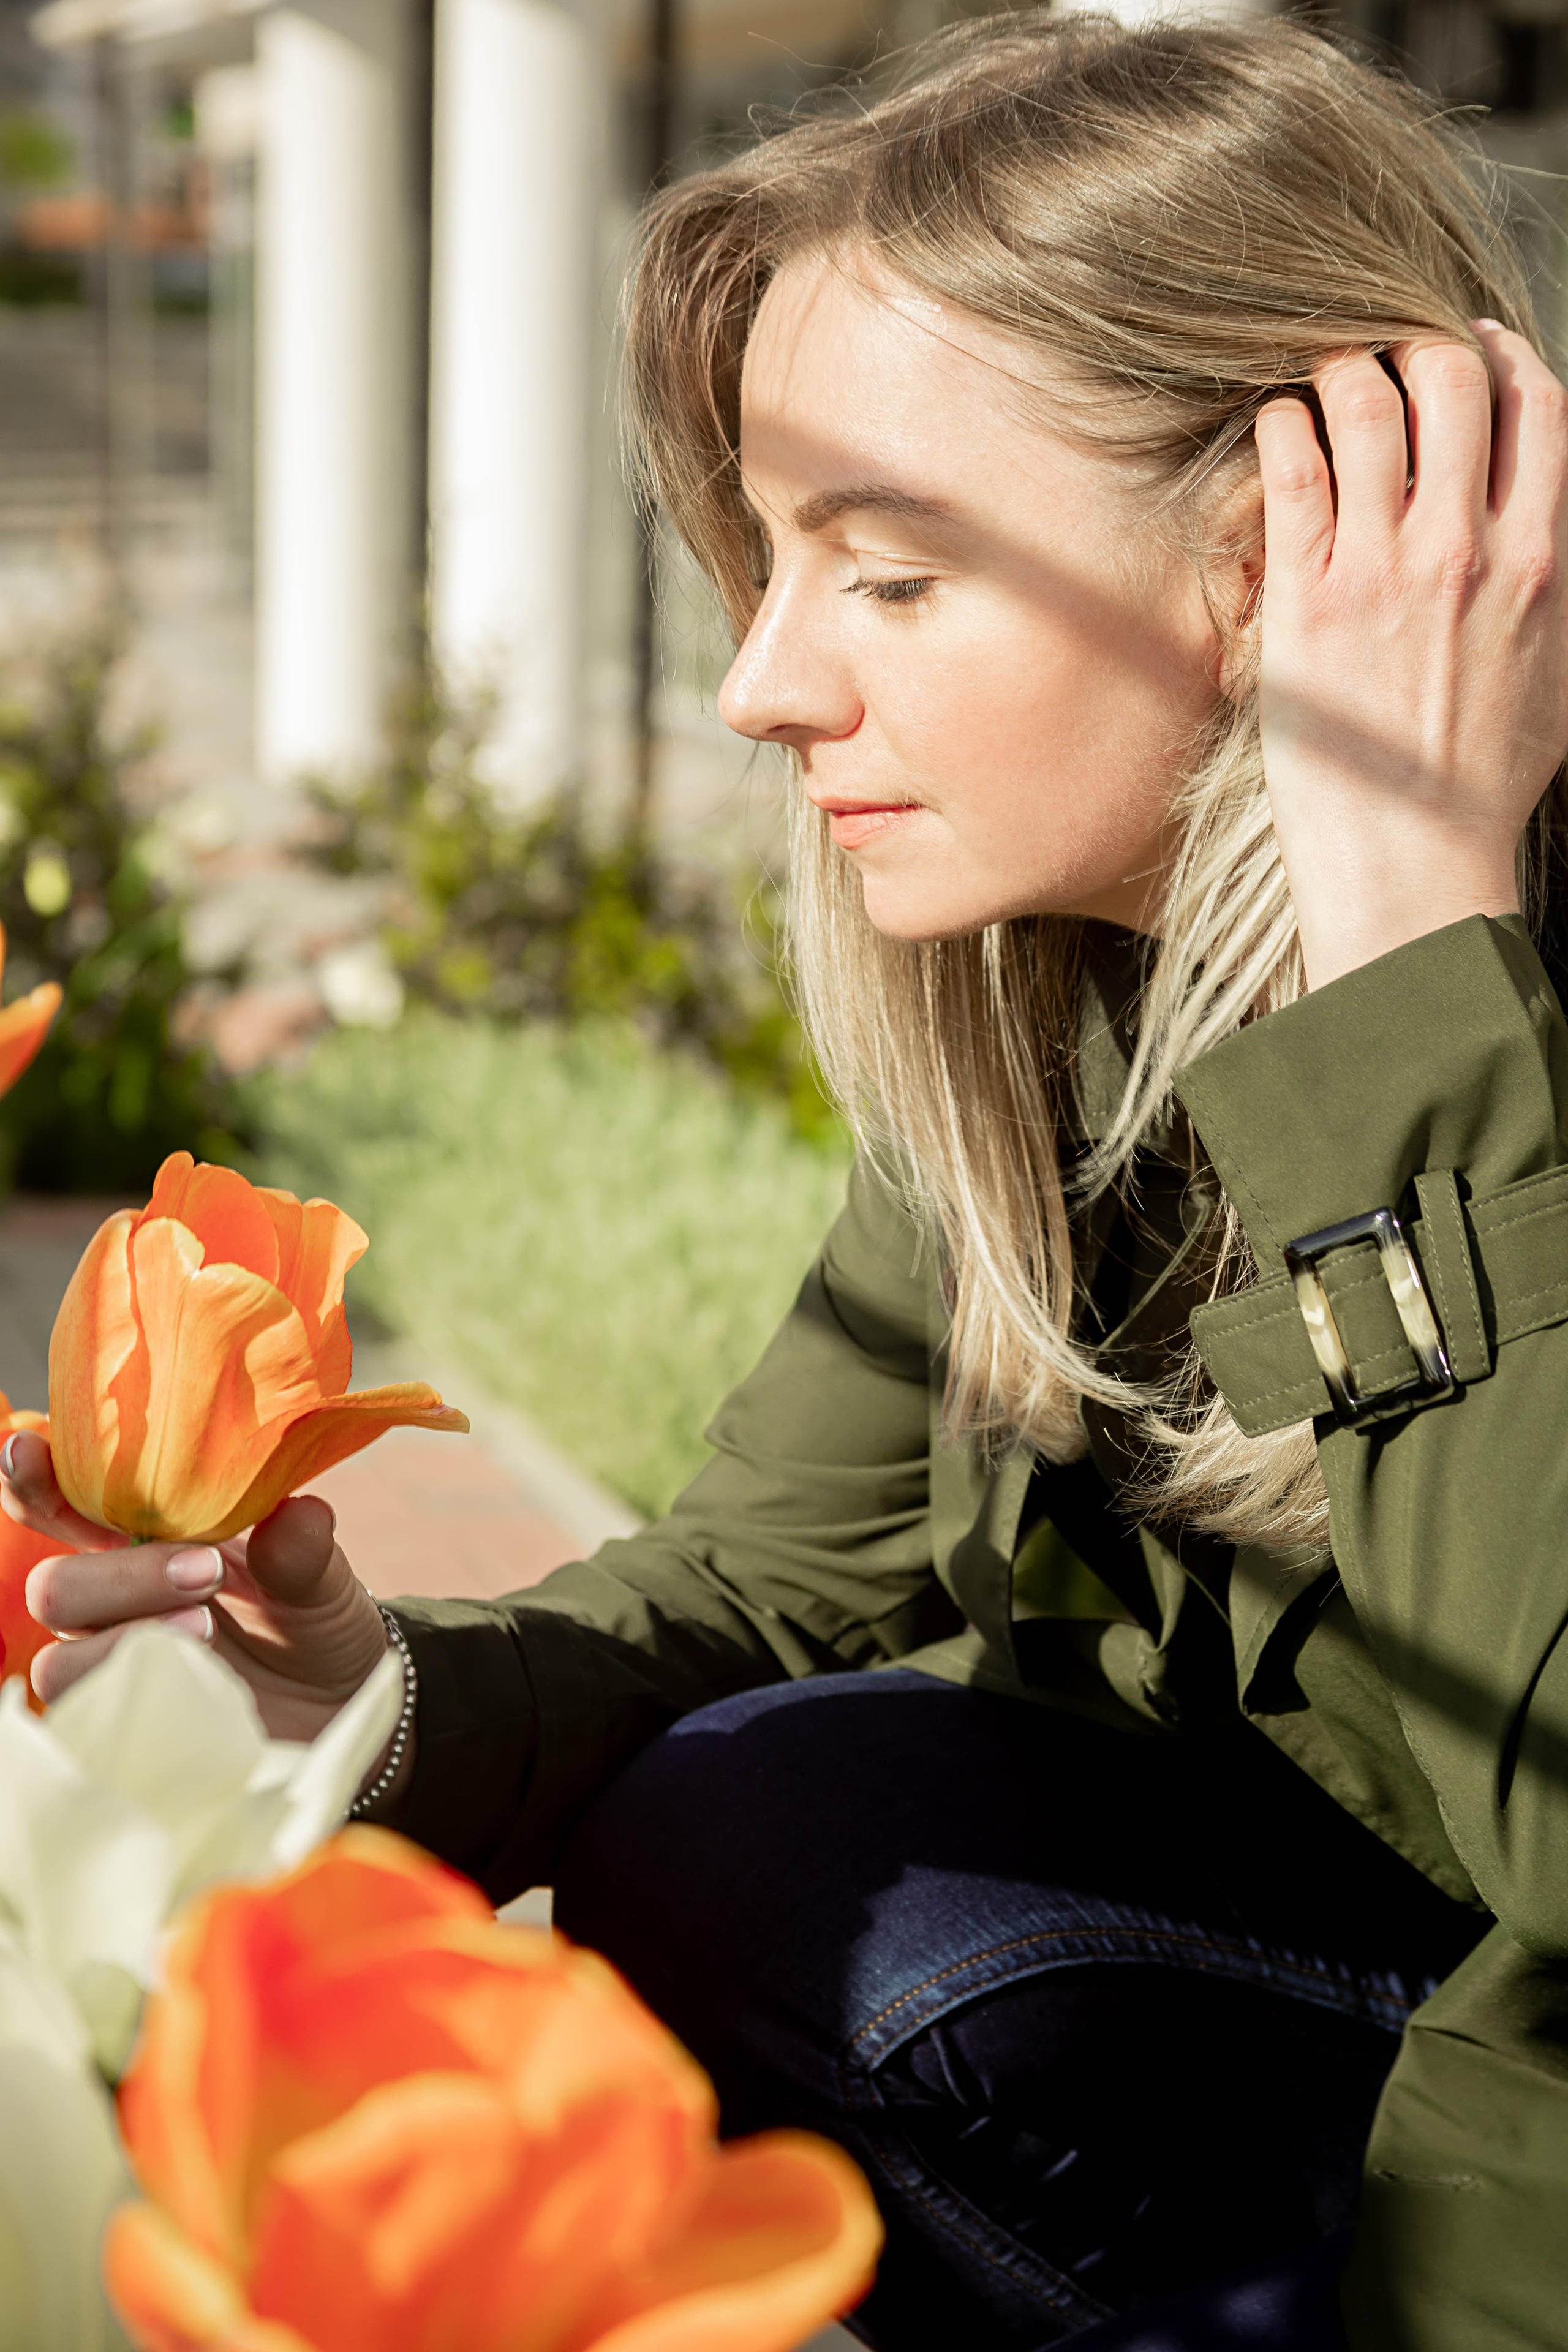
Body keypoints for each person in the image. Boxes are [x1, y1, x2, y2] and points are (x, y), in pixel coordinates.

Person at [9, 14, 1568, 2348]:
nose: (755, 682)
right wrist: (347, 1688)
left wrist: (1418, 947)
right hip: (1321, 1989)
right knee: (755, 1829)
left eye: (891, 574)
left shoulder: (1486, 998)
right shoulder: (1055, 1007)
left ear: (1284, 563)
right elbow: (753, 1586)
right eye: (770, 558)